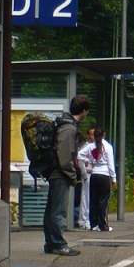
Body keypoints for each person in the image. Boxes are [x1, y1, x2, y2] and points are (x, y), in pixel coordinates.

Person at [44, 94, 88, 256]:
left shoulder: (63, 124)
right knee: (58, 211)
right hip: (60, 173)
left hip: (55, 171)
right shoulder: (69, 128)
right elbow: (65, 154)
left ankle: (50, 243)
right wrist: (72, 174)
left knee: (52, 210)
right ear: (84, 111)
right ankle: (58, 244)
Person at [80, 127, 116, 231]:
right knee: (103, 201)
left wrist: (88, 162)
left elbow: (79, 155)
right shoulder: (108, 147)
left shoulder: (91, 146)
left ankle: (94, 224)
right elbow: (111, 164)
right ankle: (103, 225)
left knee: (93, 200)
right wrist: (113, 178)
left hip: (94, 175)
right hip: (104, 175)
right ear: (104, 135)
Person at [77, 128, 95, 230]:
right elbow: (80, 160)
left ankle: (95, 221)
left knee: (95, 199)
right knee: (86, 198)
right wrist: (84, 174)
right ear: (88, 136)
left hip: (98, 175)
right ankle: (83, 221)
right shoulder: (86, 148)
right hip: (88, 174)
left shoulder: (101, 147)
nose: (94, 136)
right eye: (92, 134)